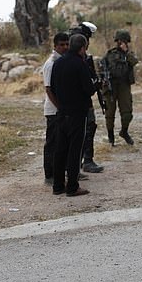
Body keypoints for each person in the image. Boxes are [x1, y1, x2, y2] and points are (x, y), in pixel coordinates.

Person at [50, 34, 96, 197]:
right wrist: (96, 85)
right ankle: (72, 186)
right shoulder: (80, 64)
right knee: (74, 151)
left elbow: (52, 88)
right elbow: (89, 89)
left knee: (60, 150)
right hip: (77, 113)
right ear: (83, 48)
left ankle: (57, 186)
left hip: (61, 112)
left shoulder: (58, 63)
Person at [70, 22, 104, 173]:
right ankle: (85, 161)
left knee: (89, 127)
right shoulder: (76, 59)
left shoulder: (83, 58)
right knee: (85, 129)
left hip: (83, 101)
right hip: (79, 101)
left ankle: (85, 160)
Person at [99, 30, 138, 146]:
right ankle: (111, 137)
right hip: (111, 86)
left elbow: (135, 62)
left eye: (125, 41)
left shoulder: (129, 54)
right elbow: (101, 67)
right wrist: (103, 79)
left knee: (127, 113)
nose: (122, 43)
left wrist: (126, 52)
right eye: (120, 41)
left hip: (124, 86)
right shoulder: (109, 54)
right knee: (110, 114)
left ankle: (124, 132)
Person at [42, 32, 70, 185]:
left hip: (61, 109)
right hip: (54, 110)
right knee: (52, 142)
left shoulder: (63, 61)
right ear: (55, 46)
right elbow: (48, 89)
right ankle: (49, 174)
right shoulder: (51, 63)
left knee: (62, 143)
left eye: (67, 44)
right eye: (62, 45)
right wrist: (60, 107)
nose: (65, 47)